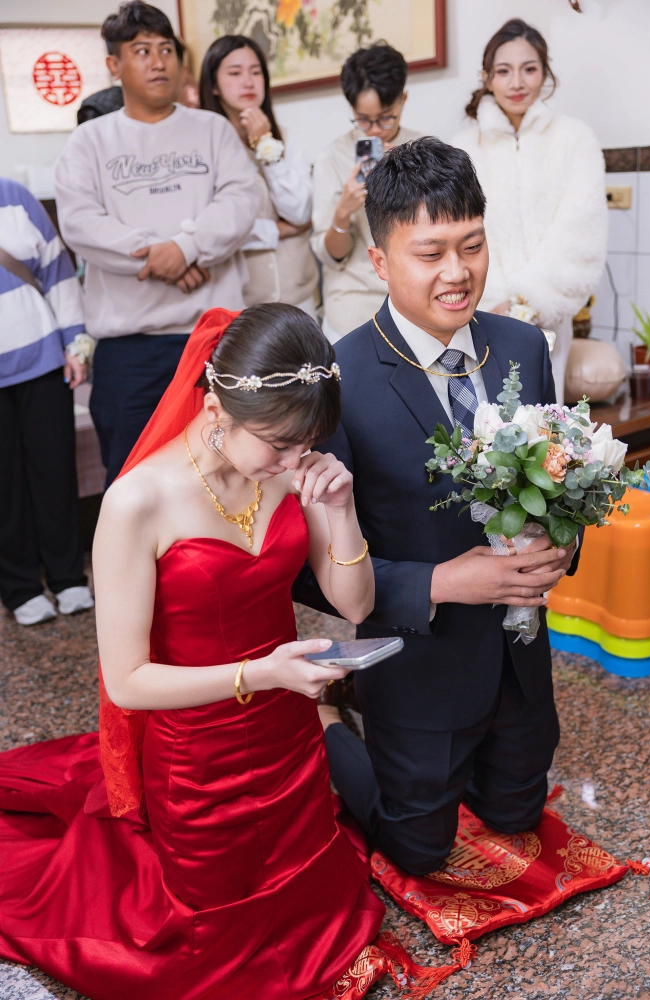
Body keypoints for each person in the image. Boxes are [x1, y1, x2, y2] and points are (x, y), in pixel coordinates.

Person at [0, 304, 385, 999]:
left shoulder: (292, 464)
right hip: (198, 755)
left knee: (312, 904)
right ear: (216, 410)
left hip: (289, 733)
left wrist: (341, 508)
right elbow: (127, 681)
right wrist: (262, 672)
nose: (294, 462)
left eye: (307, 445)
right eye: (280, 446)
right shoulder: (137, 503)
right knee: (207, 942)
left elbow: (355, 606)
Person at [294, 137, 580, 876]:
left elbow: (558, 481)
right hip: (416, 666)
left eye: (472, 246)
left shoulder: (523, 347)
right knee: (416, 851)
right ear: (379, 261)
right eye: (430, 253)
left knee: (516, 818)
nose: (457, 273)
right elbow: (307, 571)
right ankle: (330, 725)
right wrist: (444, 582)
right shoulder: (340, 379)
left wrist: (563, 544)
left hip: (520, 658)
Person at [54, 1, 258, 487]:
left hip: (216, 341)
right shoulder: (89, 142)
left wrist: (184, 248)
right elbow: (80, 222)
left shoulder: (212, 129)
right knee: (134, 482)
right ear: (114, 64)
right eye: (141, 50)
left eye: (166, 49)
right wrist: (164, 254)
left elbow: (241, 201)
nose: (158, 61)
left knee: (230, 475)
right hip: (130, 353)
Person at [450, 18, 607, 403]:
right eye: (504, 71)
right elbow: (458, 234)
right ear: (487, 77)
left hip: (547, 319)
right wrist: (490, 305)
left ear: (545, 74)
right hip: (477, 316)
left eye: (529, 69)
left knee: (543, 422)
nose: (517, 83)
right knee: (482, 426)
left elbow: (580, 232)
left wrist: (524, 304)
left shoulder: (575, 139)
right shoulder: (462, 147)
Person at [0, 177, 94, 625]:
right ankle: (19, 588)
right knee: (4, 486)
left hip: (42, 360)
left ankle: (68, 577)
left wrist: (75, 340)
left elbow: (57, 270)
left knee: (54, 472)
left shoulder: (13, 195)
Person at [311, 42, 421, 343]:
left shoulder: (423, 150)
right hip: (353, 306)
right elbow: (332, 256)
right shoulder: (332, 158)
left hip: (414, 299)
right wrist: (343, 211)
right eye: (363, 119)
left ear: (403, 99)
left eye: (386, 118)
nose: (374, 130)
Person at [200, 36, 318, 315]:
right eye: (235, 73)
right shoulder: (204, 149)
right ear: (214, 85)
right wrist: (276, 230)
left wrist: (266, 146)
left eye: (255, 72)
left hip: (300, 299)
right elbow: (213, 229)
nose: (248, 82)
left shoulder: (287, 138)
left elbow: (301, 212)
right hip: (242, 307)